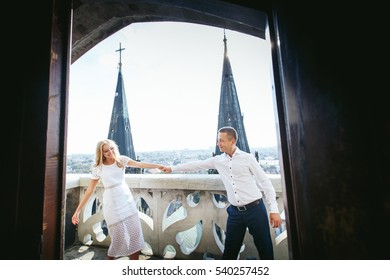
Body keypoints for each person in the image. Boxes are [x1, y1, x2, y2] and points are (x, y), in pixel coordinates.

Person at [163, 126, 282, 260]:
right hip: (235, 213)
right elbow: (197, 165)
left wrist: (274, 210)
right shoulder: (218, 160)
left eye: (221, 141)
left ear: (232, 141)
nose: (218, 144)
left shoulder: (248, 158)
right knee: (230, 251)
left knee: (264, 248)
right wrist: (172, 168)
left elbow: (265, 183)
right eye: (218, 140)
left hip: (255, 210)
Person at [72, 139, 165, 260]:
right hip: (111, 203)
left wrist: (159, 166)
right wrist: (77, 211)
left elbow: (141, 165)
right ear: (101, 153)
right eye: (106, 151)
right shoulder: (98, 167)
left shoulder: (122, 160)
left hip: (127, 201)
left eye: (111, 148)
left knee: (135, 236)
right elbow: (89, 190)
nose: (110, 152)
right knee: (118, 239)